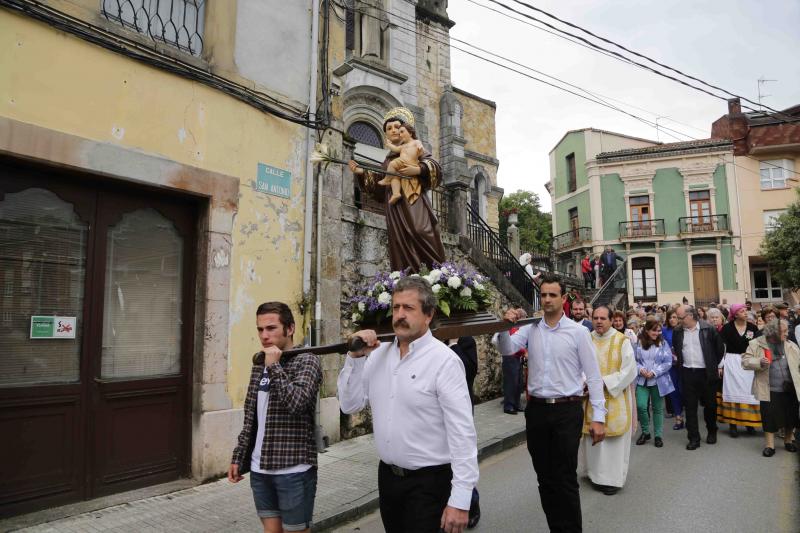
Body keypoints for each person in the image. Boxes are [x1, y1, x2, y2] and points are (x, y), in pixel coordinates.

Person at [337, 276, 478, 533]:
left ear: (428, 315)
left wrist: (461, 498)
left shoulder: (444, 361)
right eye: (396, 307)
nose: (400, 315)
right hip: (388, 480)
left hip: (430, 484)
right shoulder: (377, 356)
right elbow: (349, 404)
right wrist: (355, 358)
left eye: (409, 308)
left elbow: (462, 433)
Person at [496, 274, 606, 531]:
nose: (547, 299)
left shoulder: (578, 332)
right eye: (543, 295)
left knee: (565, 478)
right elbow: (506, 349)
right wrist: (503, 326)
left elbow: (593, 375)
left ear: (563, 298)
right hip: (537, 412)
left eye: (552, 295)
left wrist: (598, 418)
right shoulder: (530, 327)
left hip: (567, 410)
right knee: (544, 478)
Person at [228, 302, 323, 533]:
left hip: (293, 469)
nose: (264, 335)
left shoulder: (307, 360)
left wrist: (274, 367)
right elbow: (251, 417)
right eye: (260, 329)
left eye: (271, 328)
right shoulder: (260, 364)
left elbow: (297, 403)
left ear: (289, 329)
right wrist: (239, 456)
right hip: (260, 470)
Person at [349, 108, 445, 272]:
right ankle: (406, 278)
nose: (393, 130)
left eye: (397, 127)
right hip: (394, 206)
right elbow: (381, 179)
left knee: (420, 230)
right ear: (386, 135)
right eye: (389, 128)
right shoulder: (389, 159)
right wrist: (362, 173)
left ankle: (439, 274)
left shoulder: (414, 146)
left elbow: (434, 166)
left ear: (404, 131)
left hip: (413, 198)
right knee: (399, 242)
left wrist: (418, 170)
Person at [579, 305, 637, 496]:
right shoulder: (587, 339)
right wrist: (584, 383)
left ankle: (611, 479)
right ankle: (594, 474)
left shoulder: (622, 341)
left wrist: (604, 382)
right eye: (595, 318)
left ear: (612, 320)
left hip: (614, 395)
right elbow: (578, 365)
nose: (598, 321)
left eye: (603, 318)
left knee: (613, 442)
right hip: (591, 397)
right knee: (592, 438)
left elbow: (630, 370)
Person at [742, 319, 800, 457]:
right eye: (784, 332)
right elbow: (745, 361)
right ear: (774, 332)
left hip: (790, 388)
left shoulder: (791, 345)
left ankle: (788, 441)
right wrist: (759, 362)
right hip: (769, 389)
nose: (787, 334)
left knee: (790, 416)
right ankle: (770, 445)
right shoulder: (756, 344)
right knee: (769, 417)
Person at [673, 305, 725, 450]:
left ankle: (712, 430)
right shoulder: (678, 332)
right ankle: (693, 438)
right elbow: (678, 350)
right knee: (690, 407)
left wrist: (713, 366)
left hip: (706, 373)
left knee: (710, 405)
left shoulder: (708, 329)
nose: (678, 321)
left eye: (681, 318)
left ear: (690, 316)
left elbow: (719, 350)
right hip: (688, 372)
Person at [447, 337, 481, 529]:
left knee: (461, 458)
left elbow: (469, 370)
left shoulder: (466, 341)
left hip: (461, 411)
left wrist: (453, 344)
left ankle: (472, 502)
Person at [717, 303, 761, 438]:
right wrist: (720, 365)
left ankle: (750, 423)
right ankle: (733, 424)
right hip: (732, 362)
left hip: (748, 362)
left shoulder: (753, 328)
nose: (745, 313)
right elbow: (721, 347)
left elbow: (758, 345)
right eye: (742, 311)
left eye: (746, 310)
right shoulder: (727, 328)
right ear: (735, 314)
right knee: (732, 390)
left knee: (749, 391)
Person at [634, 318, 675, 448]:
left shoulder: (663, 343)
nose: (656, 333)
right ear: (647, 330)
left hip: (658, 381)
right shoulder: (638, 342)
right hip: (641, 380)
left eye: (658, 331)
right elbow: (632, 360)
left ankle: (658, 435)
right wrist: (640, 369)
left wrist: (654, 372)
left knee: (657, 409)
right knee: (641, 406)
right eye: (653, 330)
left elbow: (668, 362)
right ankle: (645, 432)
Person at [378, 123, 425, 205]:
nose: (400, 134)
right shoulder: (403, 146)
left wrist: (418, 170)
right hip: (402, 164)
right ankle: (396, 193)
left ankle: (386, 179)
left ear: (410, 133)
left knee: (392, 164)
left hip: (408, 163)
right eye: (389, 128)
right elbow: (395, 149)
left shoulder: (415, 142)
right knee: (395, 177)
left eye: (402, 132)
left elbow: (421, 149)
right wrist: (389, 144)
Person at [493, 325, 527, 415]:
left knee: (518, 383)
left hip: (517, 358)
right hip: (510, 358)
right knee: (511, 383)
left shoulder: (517, 328)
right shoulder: (511, 329)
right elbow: (513, 345)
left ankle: (516, 404)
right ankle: (509, 406)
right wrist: (524, 352)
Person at [662, 309, 684, 430]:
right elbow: (661, 346)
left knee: (683, 391)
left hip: (684, 365)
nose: (672, 319)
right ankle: (678, 418)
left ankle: (685, 414)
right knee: (674, 391)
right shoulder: (665, 331)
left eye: (674, 317)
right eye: (670, 317)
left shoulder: (683, 330)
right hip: (671, 366)